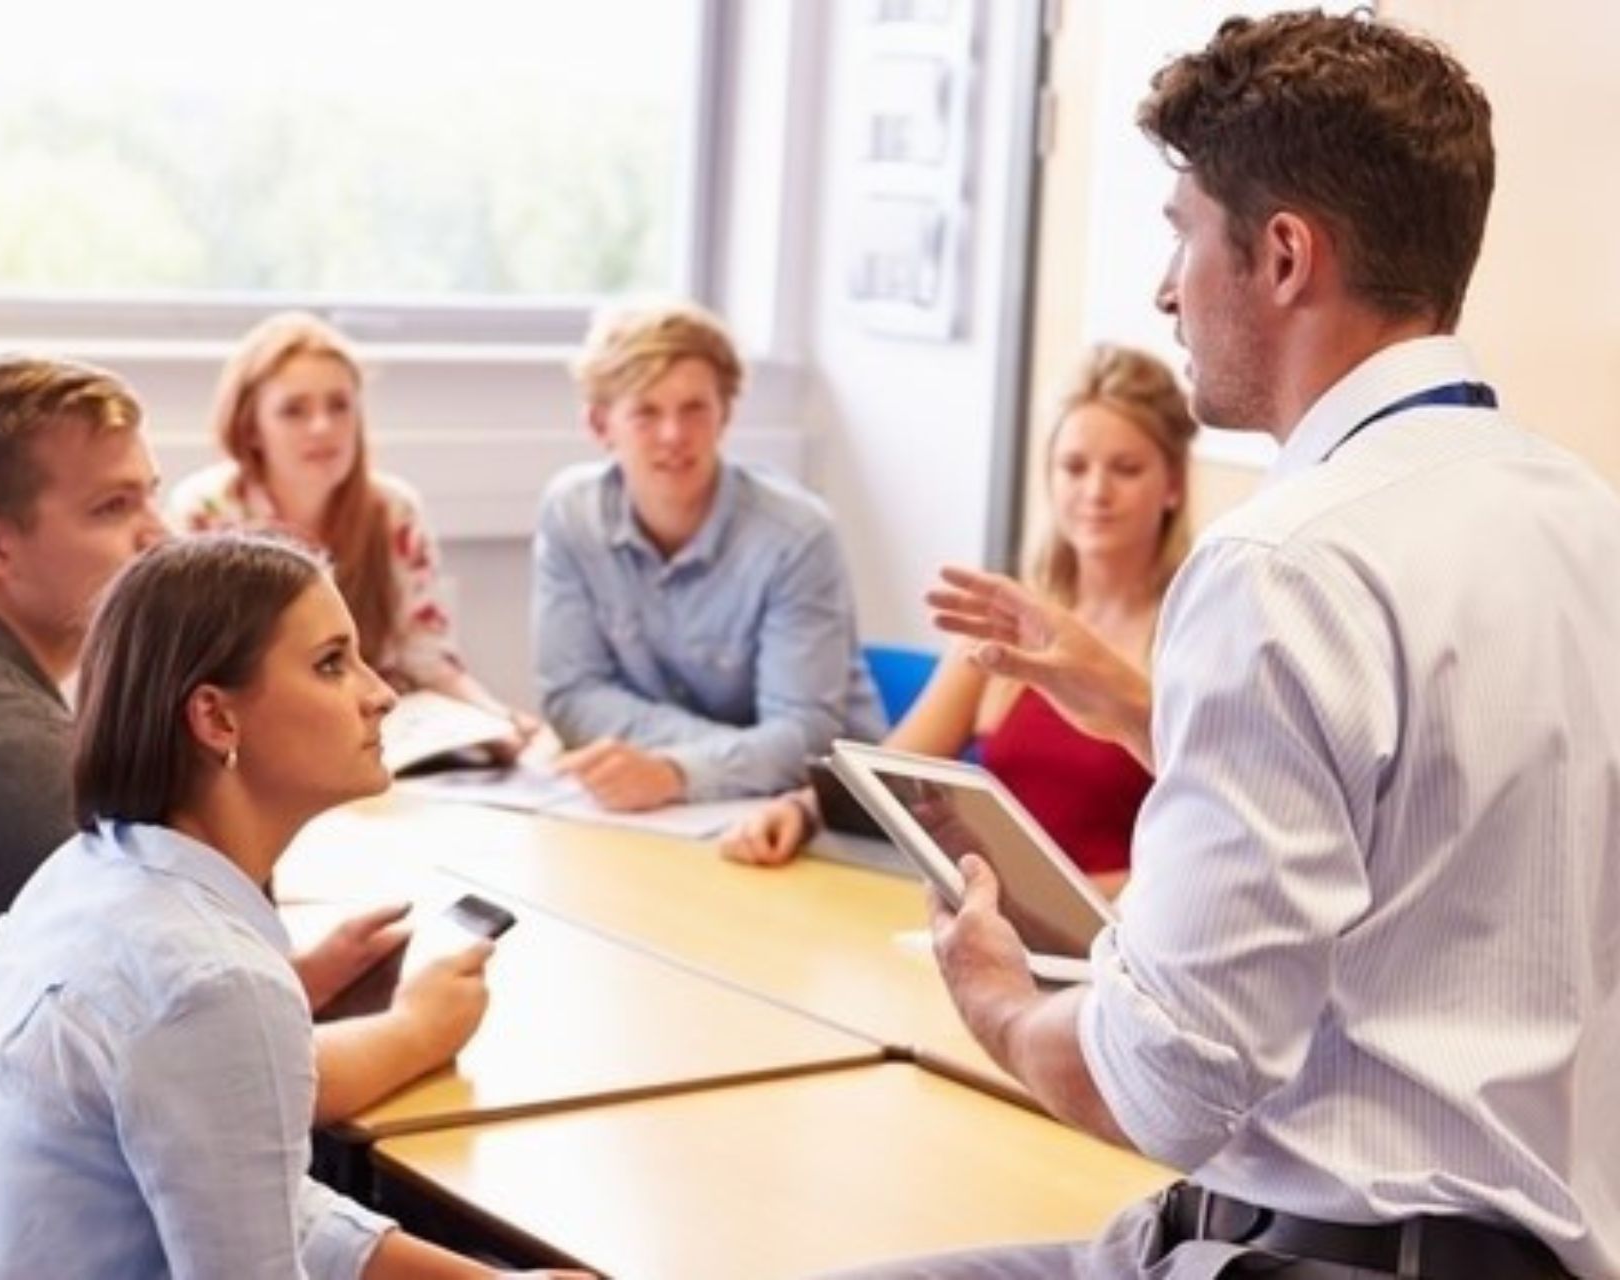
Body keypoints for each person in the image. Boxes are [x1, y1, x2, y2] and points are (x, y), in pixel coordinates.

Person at [843, 12, 1618, 1278]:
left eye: (1181, 235)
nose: (1165, 289)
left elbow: (1167, 1084)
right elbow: (1426, 817)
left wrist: (992, 991)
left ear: (1283, 254)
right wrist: (1149, 713)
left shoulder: (1283, 561)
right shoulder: (1585, 517)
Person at [0, 356, 488, 1278]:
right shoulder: (13, 757)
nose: (155, 535)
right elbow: (211, 1062)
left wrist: (289, 984)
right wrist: (418, 1030)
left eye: (147, 497)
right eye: (112, 509)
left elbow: (152, 1036)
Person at [0, 535, 581, 1279]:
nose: (381, 692)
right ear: (217, 720)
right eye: (332, 663)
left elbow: (246, 1201)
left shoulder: (85, 873)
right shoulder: (214, 982)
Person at [721, 346, 1194, 893]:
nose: (1096, 492)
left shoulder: (1194, 635)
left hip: (1123, 942)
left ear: (1174, 485)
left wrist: (1075, 899)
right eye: (1074, 467)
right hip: (989, 924)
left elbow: (1210, 852)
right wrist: (800, 809)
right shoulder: (1007, 618)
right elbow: (892, 772)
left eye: (1126, 469)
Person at [533, 299, 883, 811]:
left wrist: (678, 770)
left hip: (820, 812)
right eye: (646, 412)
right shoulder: (571, 515)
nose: (674, 435)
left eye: (694, 408)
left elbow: (804, 738)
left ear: (725, 414)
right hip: (684, 808)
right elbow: (571, 697)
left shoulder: (798, 537)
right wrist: (715, 758)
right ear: (600, 425)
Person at [167, 312, 531, 742]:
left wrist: (497, 721)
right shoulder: (207, 513)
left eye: (339, 406)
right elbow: (201, 674)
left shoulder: (394, 512)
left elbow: (430, 663)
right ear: (250, 429)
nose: (322, 427)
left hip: (382, 739)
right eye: (294, 411)